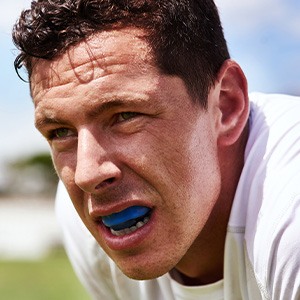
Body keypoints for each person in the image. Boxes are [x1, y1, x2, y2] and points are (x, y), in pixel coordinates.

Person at [12, 0, 300, 299]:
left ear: (226, 105)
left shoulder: (292, 213)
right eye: (60, 132)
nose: (87, 175)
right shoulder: (85, 226)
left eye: (125, 116)